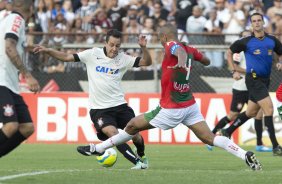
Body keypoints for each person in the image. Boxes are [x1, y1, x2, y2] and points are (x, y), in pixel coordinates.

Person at [75, 24, 262, 171]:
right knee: (209, 137)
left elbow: (177, 51)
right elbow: (207, 61)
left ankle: (97, 149)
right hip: (189, 105)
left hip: (171, 108)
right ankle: (244, 154)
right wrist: (190, 57)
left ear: (164, 36)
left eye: (159, 38)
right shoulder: (189, 48)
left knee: (131, 125)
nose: (160, 41)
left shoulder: (172, 45)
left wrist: (181, 62)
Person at [33, 29, 152, 169]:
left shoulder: (123, 59)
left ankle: (142, 155)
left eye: (117, 46)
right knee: (113, 134)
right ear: (105, 42)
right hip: (100, 110)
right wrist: (48, 50)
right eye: (112, 45)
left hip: (120, 106)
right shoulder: (92, 54)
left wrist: (144, 48)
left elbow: (147, 62)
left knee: (135, 136)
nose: (114, 49)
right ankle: (137, 163)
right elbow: (66, 57)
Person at [220, 12, 282, 156]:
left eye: (259, 20)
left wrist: (279, 62)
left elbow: (281, 52)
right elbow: (229, 52)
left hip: (265, 80)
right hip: (253, 79)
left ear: (263, 22)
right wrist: (233, 71)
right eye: (254, 21)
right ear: (251, 24)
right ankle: (276, 147)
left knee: (251, 112)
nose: (257, 23)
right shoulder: (245, 41)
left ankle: (227, 131)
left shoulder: (272, 40)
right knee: (269, 109)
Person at [208, 30, 272, 152]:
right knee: (233, 115)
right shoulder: (238, 52)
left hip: (253, 87)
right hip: (241, 88)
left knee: (259, 114)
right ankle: (211, 138)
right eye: (244, 36)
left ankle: (259, 144)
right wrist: (250, 71)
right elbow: (234, 66)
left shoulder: (254, 50)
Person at [0, 0, 40, 158]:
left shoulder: (8, 18)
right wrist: (28, 75)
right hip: (1, 81)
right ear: (30, 9)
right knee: (11, 126)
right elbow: (9, 47)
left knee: (27, 127)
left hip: (10, 83)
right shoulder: (17, 19)